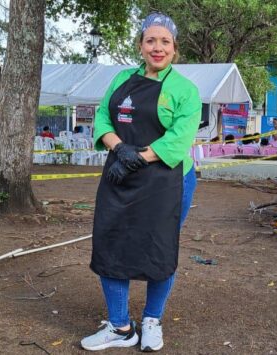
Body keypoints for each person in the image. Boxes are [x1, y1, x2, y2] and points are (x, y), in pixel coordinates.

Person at [81, 12, 201, 352]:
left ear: (175, 48)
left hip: (168, 180)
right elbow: (103, 116)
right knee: (111, 245)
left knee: (159, 250)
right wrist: (119, 149)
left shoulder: (185, 90)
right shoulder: (122, 79)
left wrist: (135, 157)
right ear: (140, 45)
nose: (157, 47)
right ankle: (120, 327)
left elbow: (179, 140)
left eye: (165, 41)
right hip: (120, 176)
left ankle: (151, 319)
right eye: (151, 40)